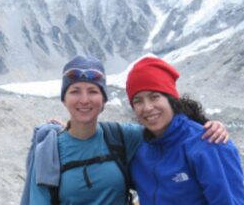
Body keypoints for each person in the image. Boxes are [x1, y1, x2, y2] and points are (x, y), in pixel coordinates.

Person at [21, 55, 228, 205]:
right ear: (64, 100)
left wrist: (205, 125)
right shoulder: (49, 149)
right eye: (75, 91)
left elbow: (165, 130)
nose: (84, 100)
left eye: (93, 91)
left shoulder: (122, 136)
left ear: (103, 101)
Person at [126, 56, 244, 204]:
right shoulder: (139, 148)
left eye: (154, 97)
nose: (147, 108)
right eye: (138, 101)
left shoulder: (209, 142)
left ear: (171, 99)